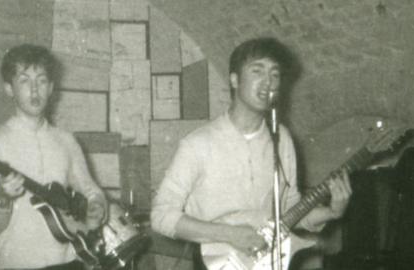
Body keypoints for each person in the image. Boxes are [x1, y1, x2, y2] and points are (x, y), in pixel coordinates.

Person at [150, 37, 352, 269]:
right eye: (258, 71)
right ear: (234, 80)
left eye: (275, 75)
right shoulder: (197, 144)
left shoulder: (282, 139)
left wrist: (332, 212)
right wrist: (229, 234)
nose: (268, 83)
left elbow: (289, 211)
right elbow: (161, 216)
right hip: (217, 262)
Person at [0, 44, 108, 270]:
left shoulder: (66, 140)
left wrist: (96, 205)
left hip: (70, 262)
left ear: (51, 88)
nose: (35, 90)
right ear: (9, 88)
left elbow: (91, 190)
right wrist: (2, 197)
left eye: (42, 80)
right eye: (25, 81)